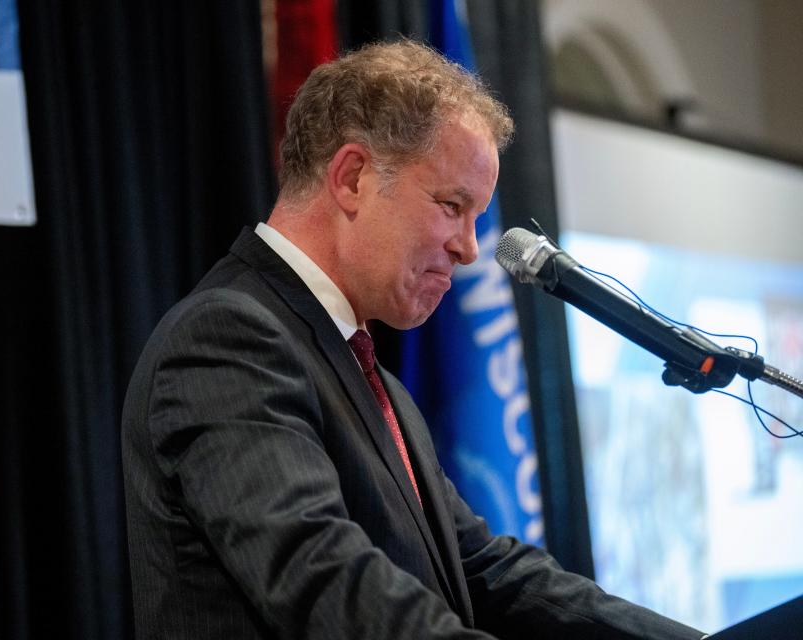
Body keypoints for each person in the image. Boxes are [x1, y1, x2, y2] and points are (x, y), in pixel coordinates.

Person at [121, 40, 705, 639]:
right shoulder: (228, 340)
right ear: (352, 178)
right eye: (452, 206)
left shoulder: (376, 384)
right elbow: (324, 580)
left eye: (477, 217)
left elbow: (486, 571)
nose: (470, 248)